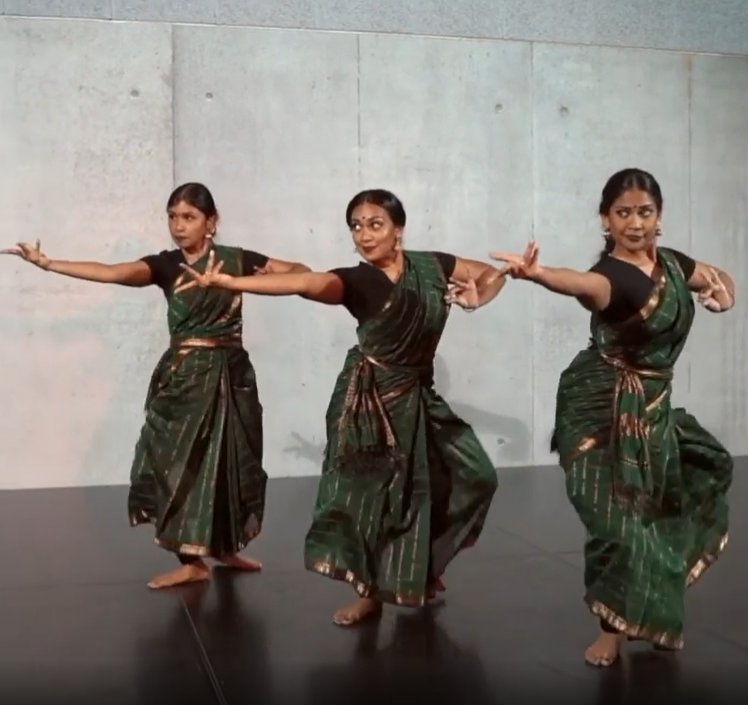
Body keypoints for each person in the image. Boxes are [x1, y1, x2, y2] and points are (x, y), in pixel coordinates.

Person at [176, 188, 508, 625]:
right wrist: (232, 282)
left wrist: (479, 295)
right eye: (356, 226)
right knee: (368, 499)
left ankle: (418, 567)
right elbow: (303, 282)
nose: (365, 235)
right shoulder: (356, 281)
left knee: (476, 476)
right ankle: (368, 594)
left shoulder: (433, 266)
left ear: (398, 229)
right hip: (367, 399)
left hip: (417, 395)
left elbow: (490, 273)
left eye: (375, 224)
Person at [1, 182, 310, 589]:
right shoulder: (167, 266)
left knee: (233, 460)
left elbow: (302, 275)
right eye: (172, 216)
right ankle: (192, 561)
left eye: (189, 217)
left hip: (232, 377)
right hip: (183, 377)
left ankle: (224, 546)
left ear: (211, 222)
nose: (178, 226)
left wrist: (236, 283)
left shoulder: (237, 261)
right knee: (176, 465)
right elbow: (113, 273)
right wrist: (50, 264)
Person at [491, 168, 734, 666]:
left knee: (665, 503)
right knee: (611, 519)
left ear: (658, 217)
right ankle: (610, 626)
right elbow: (581, 284)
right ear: (606, 220)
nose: (635, 222)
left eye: (644, 212)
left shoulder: (672, 264)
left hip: (649, 408)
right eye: (623, 213)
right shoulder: (611, 276)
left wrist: (724, 294)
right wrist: (539, 275)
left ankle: (645, 598)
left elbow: (718, 278)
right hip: (596, 405)